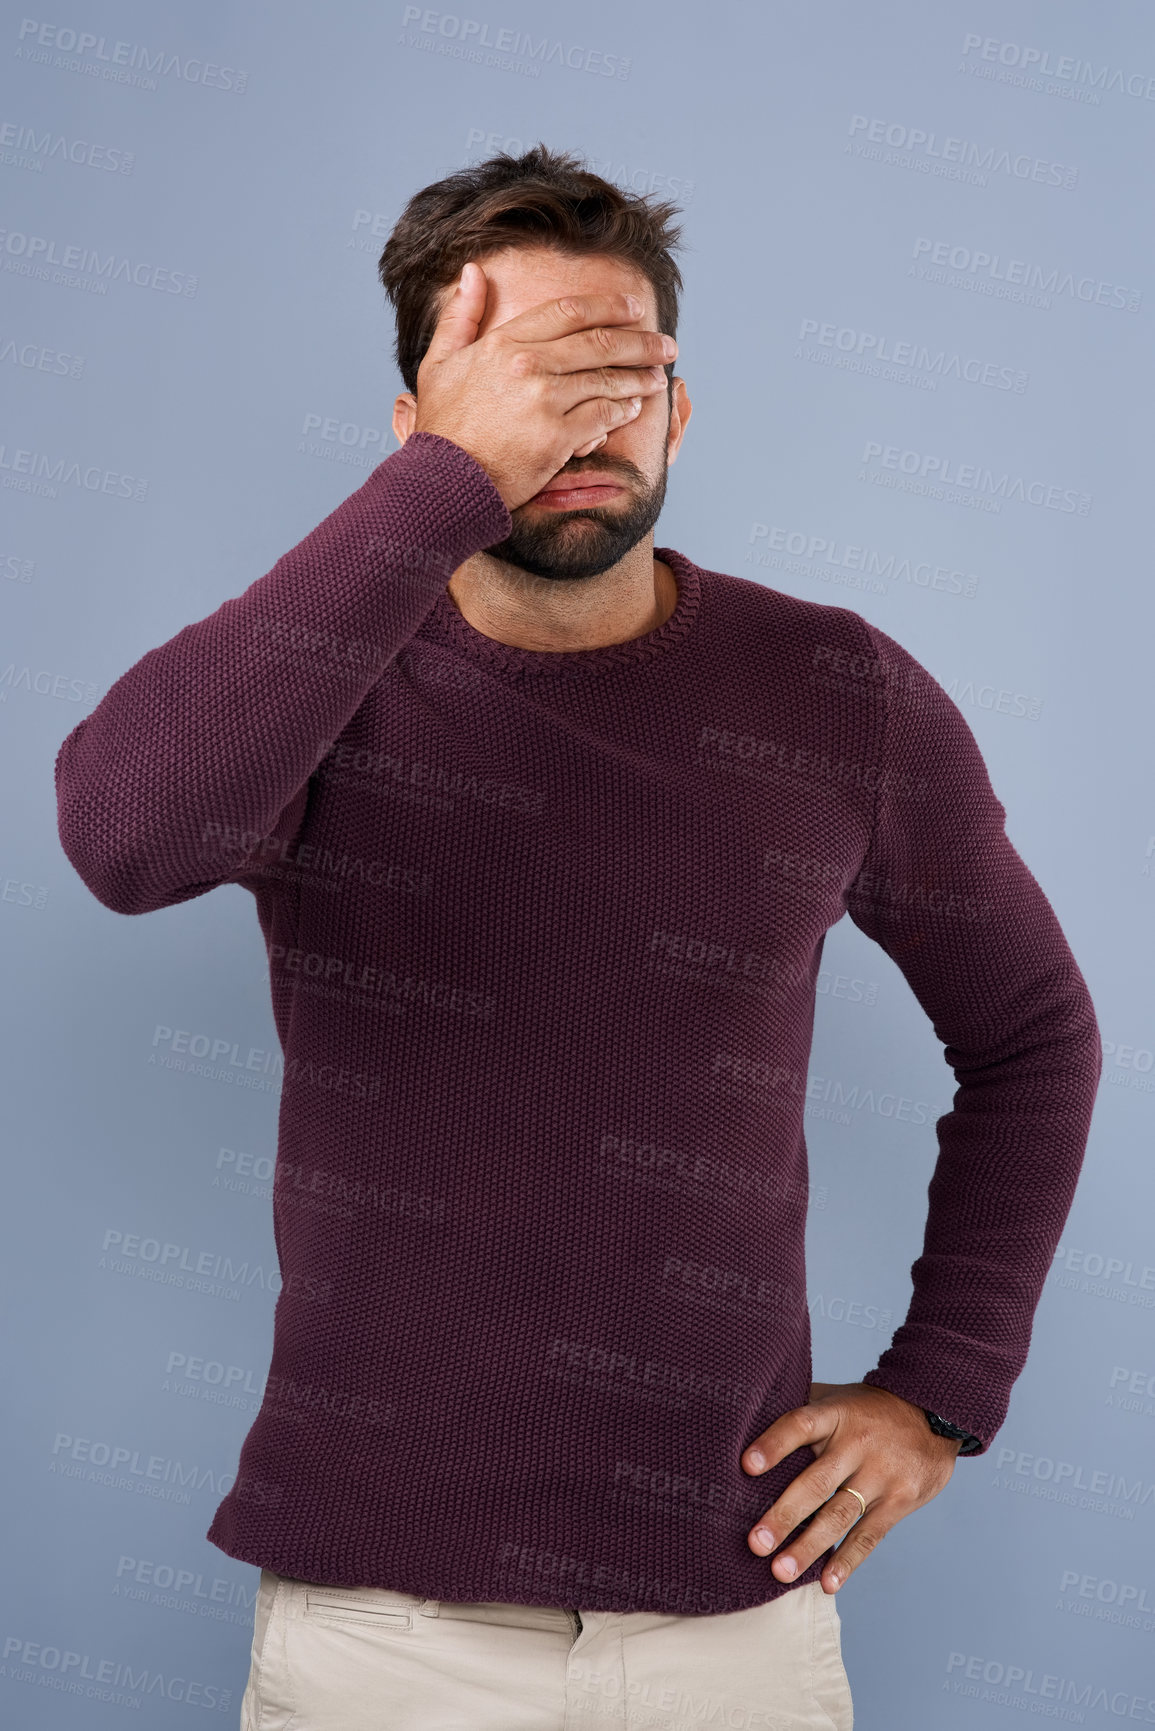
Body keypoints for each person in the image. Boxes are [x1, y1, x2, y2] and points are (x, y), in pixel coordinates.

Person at [54, 145, 1102, 1729]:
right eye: (526, 379)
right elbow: (127, 841)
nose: (579, 422)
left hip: (732, 1627)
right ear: (423, 431)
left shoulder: (835, 693)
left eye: (620, 374)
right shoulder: (318, 686)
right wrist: (439, 493)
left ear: (679, 414)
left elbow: (1032, 1036)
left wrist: (939, 1392)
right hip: (377, 1627)